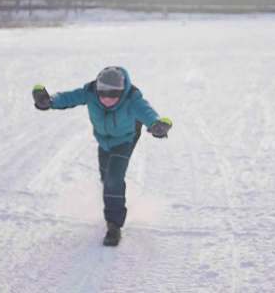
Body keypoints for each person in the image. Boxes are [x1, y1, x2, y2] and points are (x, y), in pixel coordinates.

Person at [32, 66, 172, 246]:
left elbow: (146, 112)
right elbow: (69, 97)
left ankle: (113, 225)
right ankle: (110, 196)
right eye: (103, 95)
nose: (107, 99)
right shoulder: (90, 92)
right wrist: (50, 101)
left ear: (121, 93)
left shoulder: (132, 98)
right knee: (106, 177)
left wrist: (156, 125)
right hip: (103, 140)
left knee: (114, 178)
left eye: (113, 96)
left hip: (125, 140)